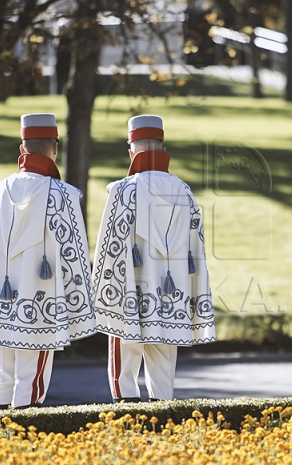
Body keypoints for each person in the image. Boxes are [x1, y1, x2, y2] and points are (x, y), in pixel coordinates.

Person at [0, 113, 96, 409]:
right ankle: (23, 444)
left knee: (3, 377)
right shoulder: (63, 196)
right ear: (54, 149)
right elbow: (76, 258)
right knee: (31, 381)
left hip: (0, 299)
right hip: (40, 301)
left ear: (22, 149)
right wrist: (80, 310)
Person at [92, 115, 216, 402]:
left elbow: (108, 250)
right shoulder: (185, 191)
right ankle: (163, 428)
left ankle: (127, 426)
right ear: (162, 147)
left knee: (124, 376)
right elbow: (195, 252)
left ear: (131, 150)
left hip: (130, 298)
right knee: (163, 377)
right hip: (171, 297)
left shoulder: (122, 191)